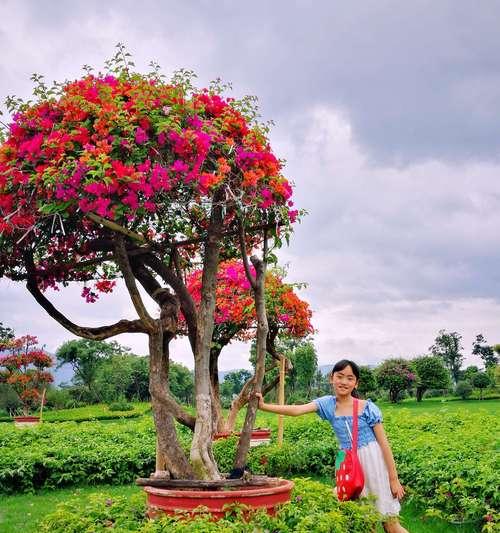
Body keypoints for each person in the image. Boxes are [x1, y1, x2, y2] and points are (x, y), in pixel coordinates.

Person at [255, 359, 409, 533]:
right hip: (347, 464)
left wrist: (393, 479)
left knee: (390, 524)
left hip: (373, 463)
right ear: (331, 378)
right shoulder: (327, 404)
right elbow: (297, 410)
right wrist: (263, 406)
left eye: (350, 378)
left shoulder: (367, 407)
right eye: (340, 376)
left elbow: (384, 444)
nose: (344, 382)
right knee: (364, 522)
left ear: (356, 383)